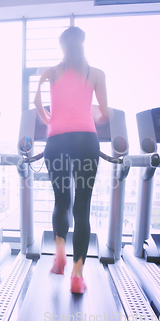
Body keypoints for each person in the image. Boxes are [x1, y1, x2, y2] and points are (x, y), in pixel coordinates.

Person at [34, 26, 111, 294]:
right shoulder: (96, 74)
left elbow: (37, 103)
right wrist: (91, 118)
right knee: (82, 206)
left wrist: (50, 121)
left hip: (56, 142)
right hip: (86, 141)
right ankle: (77, 275)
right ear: (83, 43)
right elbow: (105, 114)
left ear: (62, 46)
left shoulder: (50, 72)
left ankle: (58, 256)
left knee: (61, 200)